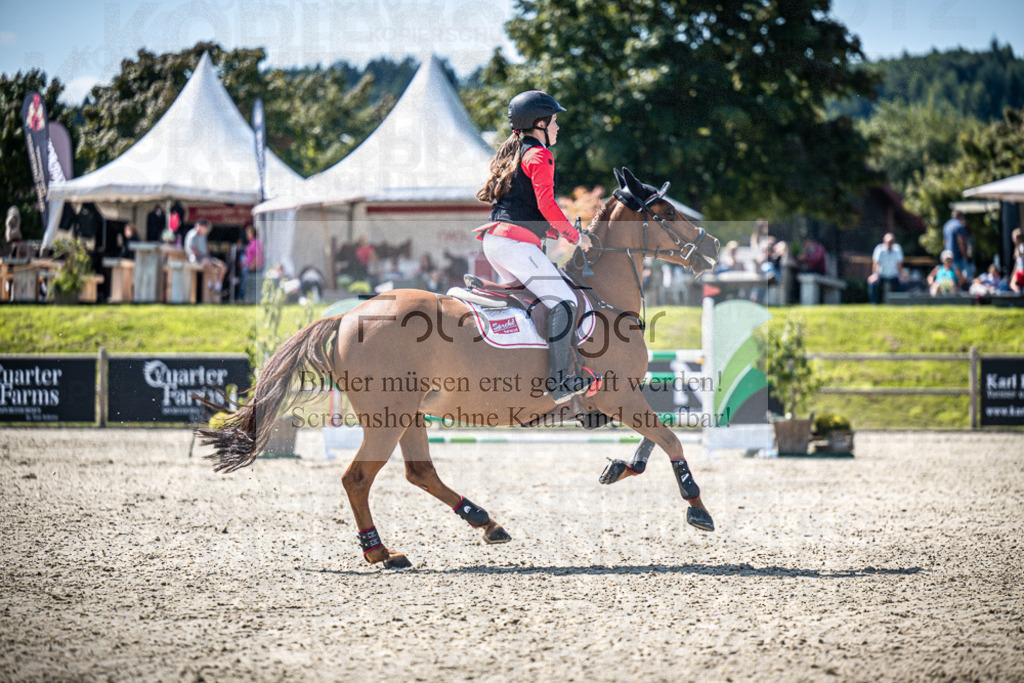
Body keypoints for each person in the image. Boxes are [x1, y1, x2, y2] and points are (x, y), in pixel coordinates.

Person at [473, 90, 594, 404]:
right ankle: (559, 381)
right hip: (514, 243)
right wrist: (576, 237)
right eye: (554, 121)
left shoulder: (515, 153)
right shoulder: (539, 155)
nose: (557, 128)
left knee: (528, 304)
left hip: (496, 241)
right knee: (565, 301)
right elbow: (548, 205)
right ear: (540, 123)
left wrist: (557, 231)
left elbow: (533, 210)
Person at [184, 219, 227, 297]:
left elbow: (205, 249)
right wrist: (204, 256)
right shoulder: (192, 235)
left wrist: (208, 255)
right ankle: (209, 283)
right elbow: (193, 250)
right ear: (201, 226)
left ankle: (218, 286)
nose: (206, 230)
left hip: (205, 258)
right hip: (195, 259)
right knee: (208, 263)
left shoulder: (203, 235)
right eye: (205, 227)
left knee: (222, 266)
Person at [868, 232, 904, 304]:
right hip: (881, 275)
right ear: (884, 241)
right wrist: (875, 275)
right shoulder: (879, 249)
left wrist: (901, 276)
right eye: (889, 242)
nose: (890, 243)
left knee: (903, 285)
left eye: (892, 241)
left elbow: (899, 264)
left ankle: (899, 303)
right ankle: (874, 304)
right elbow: (876, 263)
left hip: (894, 275)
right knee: (873, 284)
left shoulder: (897, 249)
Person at [942, 210, 972, 280]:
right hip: (958, 257)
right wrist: (965, 256)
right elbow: (960, 242)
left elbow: (944, 241)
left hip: (947, 257)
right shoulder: (959, 225)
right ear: (961, 217)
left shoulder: (946, 225)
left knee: (950, 276)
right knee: (960, 278)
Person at [241, 223, 264, 300]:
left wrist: (252, 265)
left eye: (248, 233)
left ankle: (242, 297)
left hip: (254, 267)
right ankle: (245, 297)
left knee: (246, 282)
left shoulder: (256, 242)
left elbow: (257, 255)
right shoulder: (251, 243)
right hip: (248, 266)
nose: (247, 235)